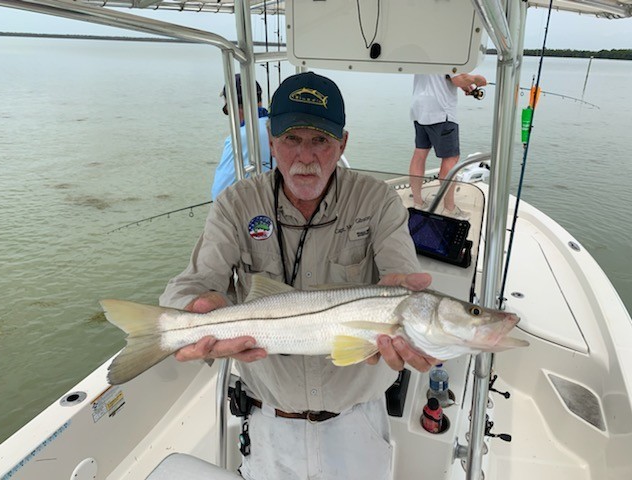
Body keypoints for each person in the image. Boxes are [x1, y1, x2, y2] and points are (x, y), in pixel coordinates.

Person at [160, 71, 436, 480]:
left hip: (357, 421)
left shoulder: (377, 200)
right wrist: (193, 309)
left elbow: (401, 277)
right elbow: (188, 287)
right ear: (271, 140)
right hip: (270, 423)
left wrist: (401, 304)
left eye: (320, 141)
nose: (305, 157)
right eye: (292, 139)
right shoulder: (236, 204)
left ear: (343, 143)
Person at [409, 72, 487, 218]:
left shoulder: (424, 50)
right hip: (440, 110)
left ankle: (418, 203)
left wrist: (464, 84)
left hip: (419, 107)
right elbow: (457, 78)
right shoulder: (450, 49)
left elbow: (446, 77)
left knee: (420, 153)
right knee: (451, 158)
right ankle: (449, 209)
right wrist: (477, 79)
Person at [211, 73, 272, 200]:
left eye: (226, 110)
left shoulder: (238, 139)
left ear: (233, 107)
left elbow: (219, 194)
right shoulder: (278, 128)